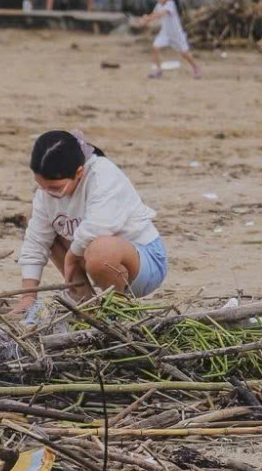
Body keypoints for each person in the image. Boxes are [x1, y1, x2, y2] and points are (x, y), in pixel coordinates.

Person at [12, 129, 167, 325]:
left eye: (55, 188)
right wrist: (28, 296)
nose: (47, 193)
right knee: (41, 225)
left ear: (79, 172)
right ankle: (86, 302)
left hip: (143, 263)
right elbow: (36, 240)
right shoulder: (46, 194)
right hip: (91, 260)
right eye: (42, 186)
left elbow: (99, 226)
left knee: (100, 251)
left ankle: (119, 312)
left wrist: (72, 256)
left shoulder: (103, 175)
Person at [137, 0, 201, 79]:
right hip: (165, 33)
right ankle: (158, 70)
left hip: (176, 34)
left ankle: (195, 67)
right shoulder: (159, 5)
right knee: (155, 47)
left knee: (184, 53)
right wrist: (145, 21)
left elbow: (160, 14)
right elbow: (155, 16)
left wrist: (147, 18)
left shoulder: (171, 4)